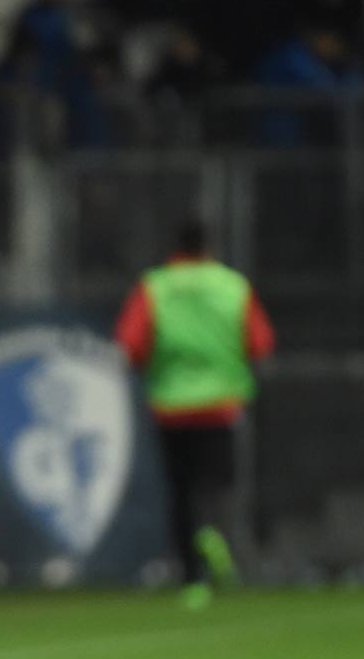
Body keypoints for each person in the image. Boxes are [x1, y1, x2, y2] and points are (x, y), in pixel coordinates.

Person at [113, 219, 275, 611]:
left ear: (176, 248)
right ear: (209, 247)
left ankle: (193, 578)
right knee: (217, 484)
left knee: (180, 490)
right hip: (220, 404)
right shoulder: (232, 286)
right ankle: (214, 533)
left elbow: (130, 345)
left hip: (171, 406)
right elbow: (260, 343)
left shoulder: (155, 286)